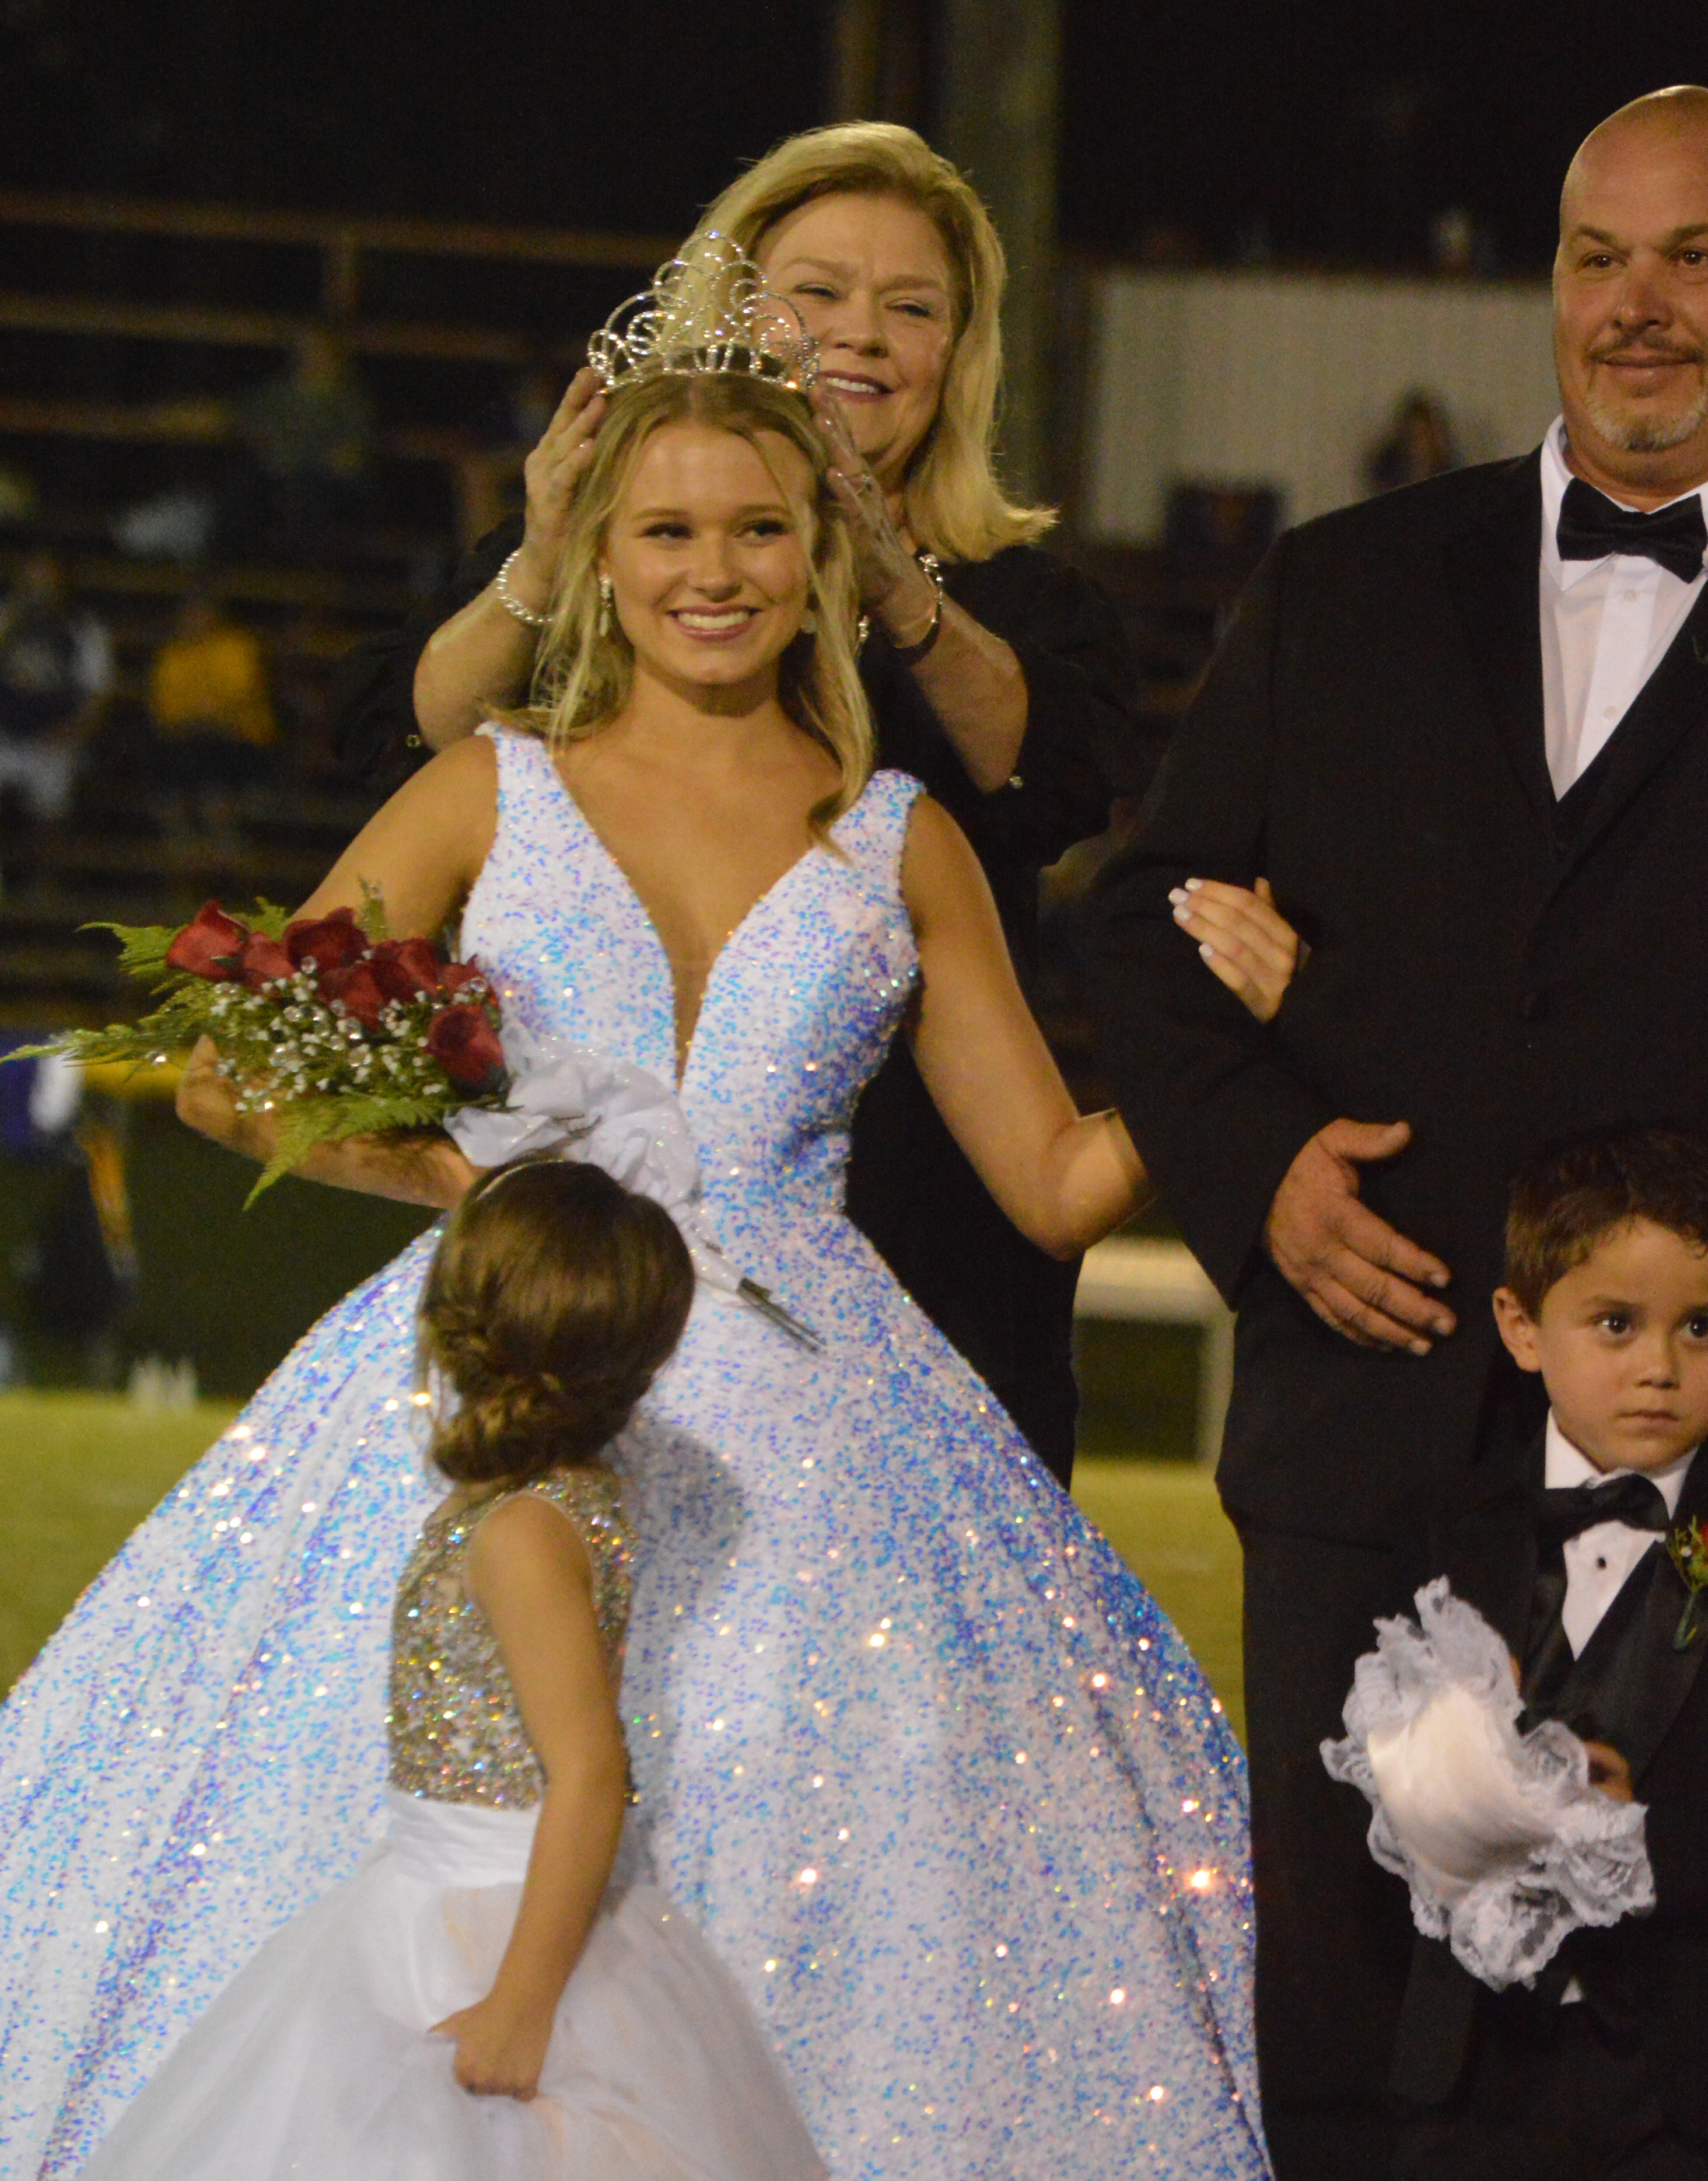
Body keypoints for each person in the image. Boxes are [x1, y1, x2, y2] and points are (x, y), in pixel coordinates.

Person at [0, 291, 1287, 2180]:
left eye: (758, 526)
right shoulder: (484, 786)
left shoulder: (897, 829)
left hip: (829, 1402)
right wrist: (460, 1187)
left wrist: (1226, 1028)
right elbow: (223, 1072)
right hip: (493, 1355)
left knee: (838, 1811)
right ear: (596, 548)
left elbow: (1056, 1180)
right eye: (666, 528)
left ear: (822, 548)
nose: (713, 570)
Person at [1090, 82, 1708, 2181]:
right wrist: (1261, 1169)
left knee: (1655, 2044)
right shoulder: (1340, 587)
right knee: (1337, 2040)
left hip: (1679, 1451)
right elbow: (1140, 934)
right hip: (1361, 1427)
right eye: (1597, 256)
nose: (1639, 309)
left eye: (1694, 256)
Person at [332, 123, 1153, 1486]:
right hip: (585, 1265)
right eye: (817, 292)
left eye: (911, 307)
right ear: (731, 304)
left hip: (928, 1197)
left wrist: (886, 573)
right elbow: (409, 732)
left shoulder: (1019, 613)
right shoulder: (586, 579)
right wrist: (552, 552)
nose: (861, 336)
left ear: (961, 351)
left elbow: (1047, 771)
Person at [74, 1154, 826, 2181]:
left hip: (486, 1924)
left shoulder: (521, 1529)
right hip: (436, 1891)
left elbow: (590, 1771)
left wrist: (521, 2001)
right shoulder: (557, 1494)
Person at [1378, 1126, 1708, 2180]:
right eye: (1615, 1323)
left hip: (1674, 2083)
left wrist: (1639, 1837)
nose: (1658, 1366)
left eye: (1701, 1327)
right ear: (1521, 1328)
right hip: (1468, 2075)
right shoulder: (1444, 1526)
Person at [145, 593, 277, 840]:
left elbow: (239, 700)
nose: (196, 621)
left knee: (213, 758)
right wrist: (199, 717)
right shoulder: (173, 656)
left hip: (240, 738)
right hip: (192, 739)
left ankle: (225, 837)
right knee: (173, 757)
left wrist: (202, 714)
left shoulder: (237, 648)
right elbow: (166, 712)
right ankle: (181, 840)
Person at [0, 550, 111, 825]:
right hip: (7, 734)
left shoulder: (84, 630)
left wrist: (73, 734)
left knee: (50, 800)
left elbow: (99, 695)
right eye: (33, 583)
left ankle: (46, 864)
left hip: (57, 738)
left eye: (48, 584)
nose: (41, 591)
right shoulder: (7, 621)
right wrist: (11, 623)